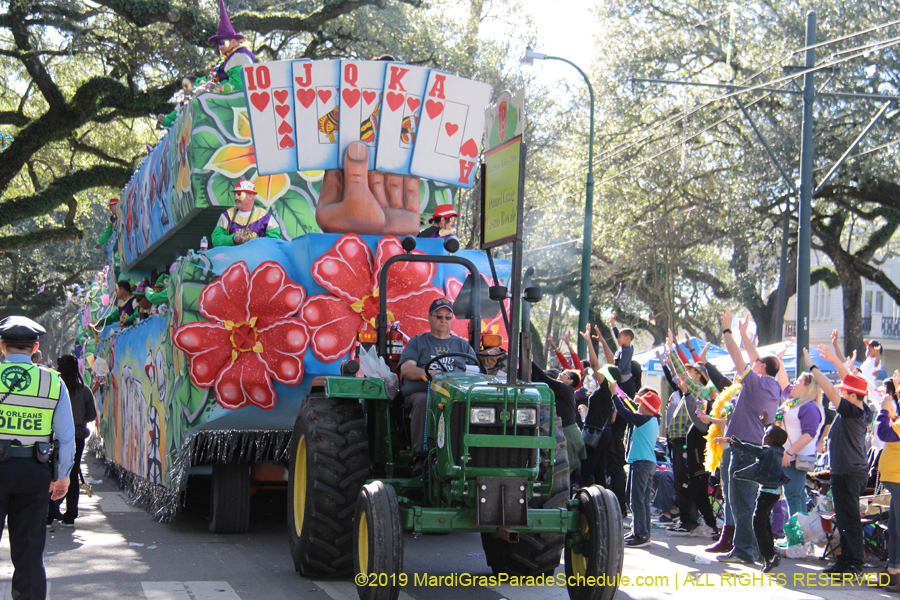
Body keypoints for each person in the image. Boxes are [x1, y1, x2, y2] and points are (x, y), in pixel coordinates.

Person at [0, 316, 75, 600]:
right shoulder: (53, 382)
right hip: (34, 471)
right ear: (34, 347)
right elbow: (66, 436)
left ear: (1, 346)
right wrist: (63, 475)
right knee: (30, 551)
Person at [715, 309, 782, 565]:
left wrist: (728, 330)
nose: (752, 364)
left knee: (740, 501)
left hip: (744, 450)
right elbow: (757, 359)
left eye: (757, 363)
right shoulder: (773, 385)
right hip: (749, 447)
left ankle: (745, 550)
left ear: (762, 368)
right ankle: (749, 548)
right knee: (742, 501)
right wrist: (744, 335)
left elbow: (736, 355)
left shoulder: (757, 383)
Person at [806, 346, 873, 578]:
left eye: (846, 393)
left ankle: (854, 563)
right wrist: (835, 359)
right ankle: (845, 560)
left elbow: (829, 389)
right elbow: (852, 382)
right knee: (844, 518)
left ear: (853, 397)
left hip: (849, 472)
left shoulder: (852, 412)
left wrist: (813, 367)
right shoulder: (862, 407)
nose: (841, 394)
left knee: (850, 519)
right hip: (847, 471)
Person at [398, 298, 476, 457]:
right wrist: (428, 373)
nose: (443, 320)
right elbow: (406, 369)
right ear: (429, 318)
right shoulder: (418, 342)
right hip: (425, 392)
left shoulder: (463, 345)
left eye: (447, 317)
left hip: (455, 395)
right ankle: (421, 455)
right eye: (438, 316)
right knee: (423, 401)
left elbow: (475, 373)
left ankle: (466, 454)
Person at [718, 425, 791, 573]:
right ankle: (771, 553)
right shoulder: (777, 451)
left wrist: (733, 442)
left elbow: (751, 448)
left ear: (768, 439)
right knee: (764, 522)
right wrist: (765, 422)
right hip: (773, 491)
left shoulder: (768, 451)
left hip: (768, 492)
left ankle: (769, 555)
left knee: (758, 522)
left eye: (765, 434)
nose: (763, 436)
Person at [47, 355, 96, 528]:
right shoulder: (84, 390)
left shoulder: (53, 387)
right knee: (72, 473)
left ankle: (49, 513)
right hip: (77, 435)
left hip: (53, 437)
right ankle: (70, 515)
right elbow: (92, 415)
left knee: (51, 472)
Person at [610, 387, 662, 548]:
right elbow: (631, 406)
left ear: (646, 408)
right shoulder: (653, 418)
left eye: (640, 404)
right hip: (647, 463)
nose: (637, 406)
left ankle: (641, 535)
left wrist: (613, 395)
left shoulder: (642, 419)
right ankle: (641, 532)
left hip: (641, 463)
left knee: (636, 501)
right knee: (643, 500)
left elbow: (625, 412)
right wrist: (619, 391)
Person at [774, 364, 825, 517]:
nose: (794, 383)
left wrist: (789, 453)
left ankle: (798, 537)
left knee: (794, 495)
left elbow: (809, 434)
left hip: (795, 458)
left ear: (807, 387)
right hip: (789, 456)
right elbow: (784, 383)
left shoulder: (809, 407)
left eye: (798, 381)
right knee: (794, 496)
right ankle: (797, 536)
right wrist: (779, 362)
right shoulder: (796, 402)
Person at [531, 364, 585, 472]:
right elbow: (538, 380)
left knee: (565, 470)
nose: (561, 374)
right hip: (565, 433)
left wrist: (530, 362)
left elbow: (544, 378)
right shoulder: (561, 391)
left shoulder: (567, 389)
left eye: (564, 374)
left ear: (570, 381)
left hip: (569, 435)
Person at [876, 392, 900, 592]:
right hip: (896, 483)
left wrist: (884, 410)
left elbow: (884, 433)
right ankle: (893, 575)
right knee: (894, 529)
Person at [211, 180, 281, 247]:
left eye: (239, 194)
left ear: (250, 196)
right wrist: (233, 239)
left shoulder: (265, 217)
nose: (235, 198)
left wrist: (256, 242)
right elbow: (216, 239)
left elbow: (275, 242)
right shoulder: (227, 216)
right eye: (235, 195)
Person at [206, 0, 257, 93]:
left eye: (222, 43)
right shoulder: (232, 56)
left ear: (233, 42)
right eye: (218, 44)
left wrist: (216, 87)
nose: (220, 47)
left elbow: (238, 86)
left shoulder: (239, 55)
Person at [608, 311, 636, 397]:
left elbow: (621, 366)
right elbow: (617, 334)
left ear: (627, 339)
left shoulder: (627, 351)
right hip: (621, 376)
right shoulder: (624, 346)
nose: (618, 339)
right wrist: (613, 324)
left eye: (620, 337)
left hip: (624, 378)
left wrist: (613, 374)